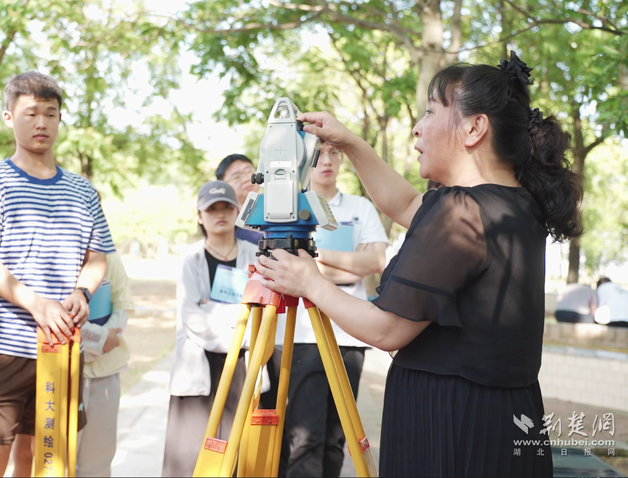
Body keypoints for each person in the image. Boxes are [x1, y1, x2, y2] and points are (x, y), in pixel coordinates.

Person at [253, 51, 581, 476]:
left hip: (452, 425)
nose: (417, 126)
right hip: (506, 418)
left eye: (430, 112)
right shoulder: (513, 204)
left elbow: (387, 329)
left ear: (474, 127)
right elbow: (408, 204)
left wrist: (310, 282)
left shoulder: (461, 211)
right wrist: (351, 142)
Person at [0, 71, 114, 477]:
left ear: (60, 119)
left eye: (50, 113)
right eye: (30, 113)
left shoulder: (82, 190)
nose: (41, 123)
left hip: (60, 350)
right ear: (9, 117)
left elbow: (97, 258)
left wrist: (82, 292)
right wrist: (38, 304)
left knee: (43, 463)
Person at [275, 142, 388, 477]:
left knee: (338, 437)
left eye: (333, 153)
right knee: (304, 437)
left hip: (349, 334)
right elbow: (286, 268)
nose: (327, 160)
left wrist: (314, 258)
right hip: (302, 336)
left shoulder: (360, 208)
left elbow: (376, 262)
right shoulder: (289, 206)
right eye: (318, 154)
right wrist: (352, 264)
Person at [162, 181, 260, 477]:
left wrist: (212, 307)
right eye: (212, 208)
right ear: (199, 216)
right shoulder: (190, 258)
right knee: (190, 458)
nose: (220, 214)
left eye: (227, 207)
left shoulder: (255, 255)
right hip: (198, 368)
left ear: (238, 211)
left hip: (243, 367)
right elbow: (192, 317)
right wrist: (238, 320)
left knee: (238, 454)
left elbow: (261, 315)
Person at [10, 251, 133, 477]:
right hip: (54, 370)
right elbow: (44, 317)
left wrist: (101, 342)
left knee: (98, 459)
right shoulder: (47, 253)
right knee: (46, 457)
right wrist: (99, 339)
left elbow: (122, 307)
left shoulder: (110, 257)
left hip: (105, 371)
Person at [216, 154, 262, 244]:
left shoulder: (276, 207)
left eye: (249, 171)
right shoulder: (225, 220)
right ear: (224, 185)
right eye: (236, 177)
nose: (246, 179)